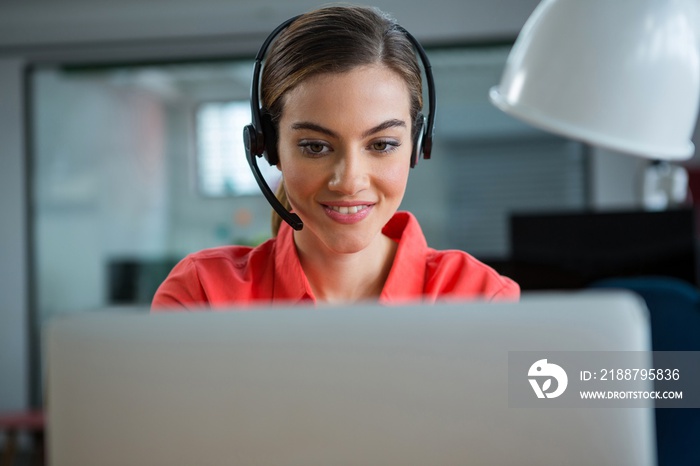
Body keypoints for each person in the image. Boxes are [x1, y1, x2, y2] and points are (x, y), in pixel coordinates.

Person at [152, 4, 519, 310]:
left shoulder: (481, 297)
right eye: (315, 146)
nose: (348, 181)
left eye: (381, 145)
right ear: (269, 146)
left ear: (417, 145)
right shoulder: (203, 295)